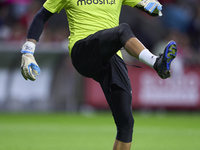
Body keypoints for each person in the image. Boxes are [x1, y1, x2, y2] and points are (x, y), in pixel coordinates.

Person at [20, 0, 177, 150]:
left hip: (110, 57)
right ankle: (157, 63)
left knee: (126, 123)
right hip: (83, 51)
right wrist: (28, 50)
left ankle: (158, 63)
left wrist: (155, 7)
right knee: (122, 30)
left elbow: (147, 6)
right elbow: (42, 16)